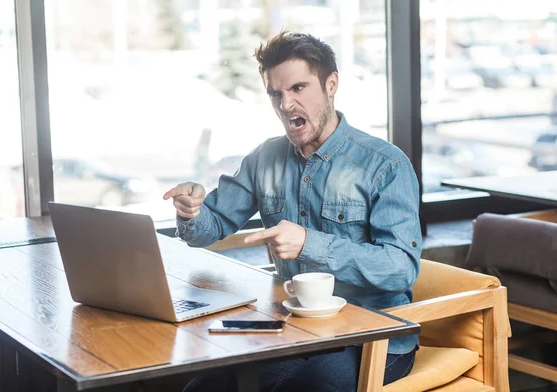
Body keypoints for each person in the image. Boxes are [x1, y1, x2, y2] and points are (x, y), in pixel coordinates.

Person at [163, 31, 422, 392]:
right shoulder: (264, 158)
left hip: (373, 336)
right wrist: (192, 211)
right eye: (276, 93)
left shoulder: (385, 165)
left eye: (298, 88)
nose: (286, 104)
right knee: (203, 387)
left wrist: (309, 244)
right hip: (293, 329)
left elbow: (400, 269)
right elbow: (212, 226)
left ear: (331, 84)